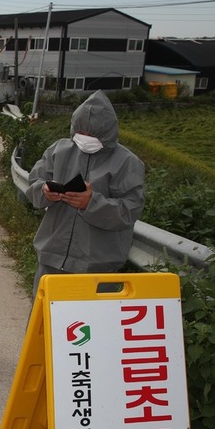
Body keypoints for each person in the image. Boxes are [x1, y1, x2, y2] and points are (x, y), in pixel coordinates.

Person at [25, 90, 145, 296]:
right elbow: (34, 184)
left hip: (97, 267)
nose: (85, 138)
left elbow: (130, 210)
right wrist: (44, 192)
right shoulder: (59, 150)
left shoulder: (127, 162)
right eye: (81, 132)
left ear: (107, 132)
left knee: (90, 326)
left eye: (92, 134)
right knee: (45, 323)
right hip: (52, 258)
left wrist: (91, 203)